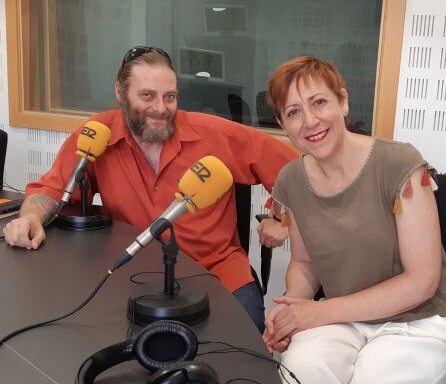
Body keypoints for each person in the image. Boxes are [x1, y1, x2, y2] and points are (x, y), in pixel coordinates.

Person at [3, 46, 295, 333]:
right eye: (147, 96)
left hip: (218, 274)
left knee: (242, 355)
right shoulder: (98, 135)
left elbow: (297, 172)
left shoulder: (215, 134)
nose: (160, 108)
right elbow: (52, 191)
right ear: (121, 93)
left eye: (170, 97)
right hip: (136, 279)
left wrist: (281, 216)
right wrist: (30, 217)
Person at [262, 56, 446, 383]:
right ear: (282, 123)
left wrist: (320, 312)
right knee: (299, 368)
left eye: (319, 102)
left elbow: (423, 280)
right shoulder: (291, 179)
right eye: (293, 112)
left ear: (343, 102)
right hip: (344, 320)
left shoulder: (400, 163)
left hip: (416, 320)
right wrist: (291, 313)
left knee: (375, 376)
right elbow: (305, 263)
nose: (310, 120)